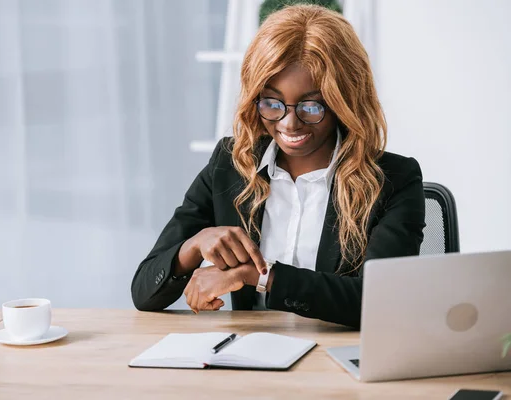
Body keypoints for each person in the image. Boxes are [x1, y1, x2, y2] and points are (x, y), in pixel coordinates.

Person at [131, 4, 425, 328]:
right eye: (271, 103)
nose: (289, 123)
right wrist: (194, 245)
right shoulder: (230, 165)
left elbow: (379, 302)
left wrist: (261, 276)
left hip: (338, 364)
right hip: (250, 360)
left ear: (345, 100)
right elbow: (144, 291)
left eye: (311, 106)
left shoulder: (393, 180)